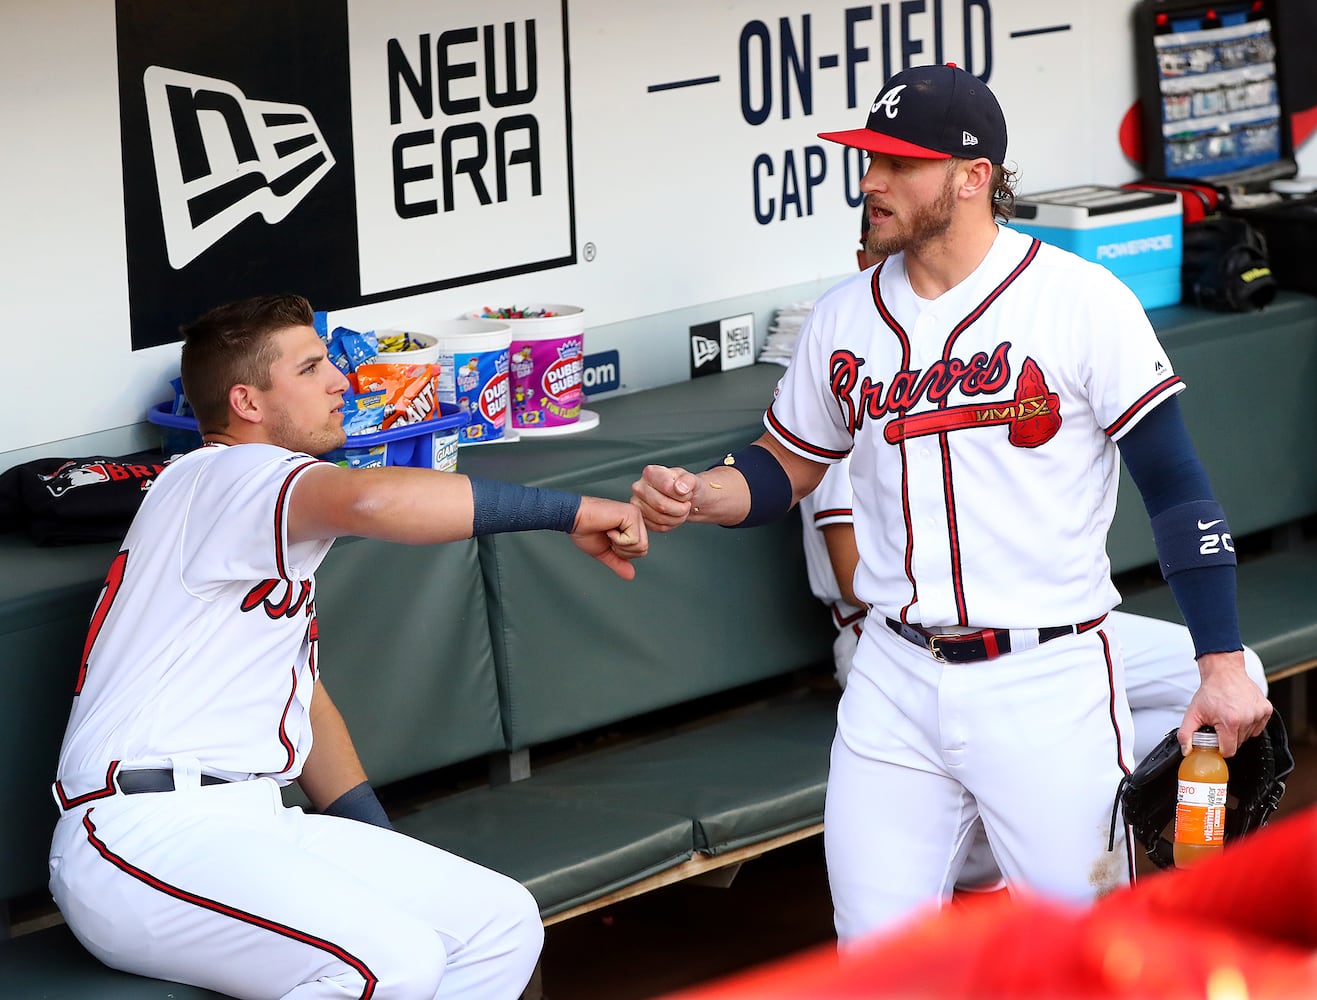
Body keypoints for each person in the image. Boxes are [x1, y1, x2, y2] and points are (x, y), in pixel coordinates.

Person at [632, 63, 1272, 944]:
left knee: (1090, 952)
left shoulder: (1079, 300)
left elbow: (1174, 485)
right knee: (877, 957)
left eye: (898, 164)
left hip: (1046, 676)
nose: (870, 182)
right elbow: (786, 462)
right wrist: (702, 494)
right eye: (869, 159)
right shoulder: (842, 317)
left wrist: (1221, 656)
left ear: (973, 178)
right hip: (892, 677)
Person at [48, 293, 648, 998]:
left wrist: (378, 848)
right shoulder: (222, 474)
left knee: (500, 923)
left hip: (249, 821)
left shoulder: (249, 519)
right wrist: (568, 510)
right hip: (142, 833)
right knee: (393, 963)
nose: (340, 380)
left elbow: (304, 705)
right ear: (246, 400)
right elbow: (369, 501)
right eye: (310, 369)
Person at [802, 209, 1269, 763]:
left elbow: (1172, 478)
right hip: (892, 639)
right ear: (862, 261)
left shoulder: (1041, 320)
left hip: (1034, 630)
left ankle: (1108, 783)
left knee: (1240, 674)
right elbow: (852, 574)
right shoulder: (853, 367)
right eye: (887, 251)